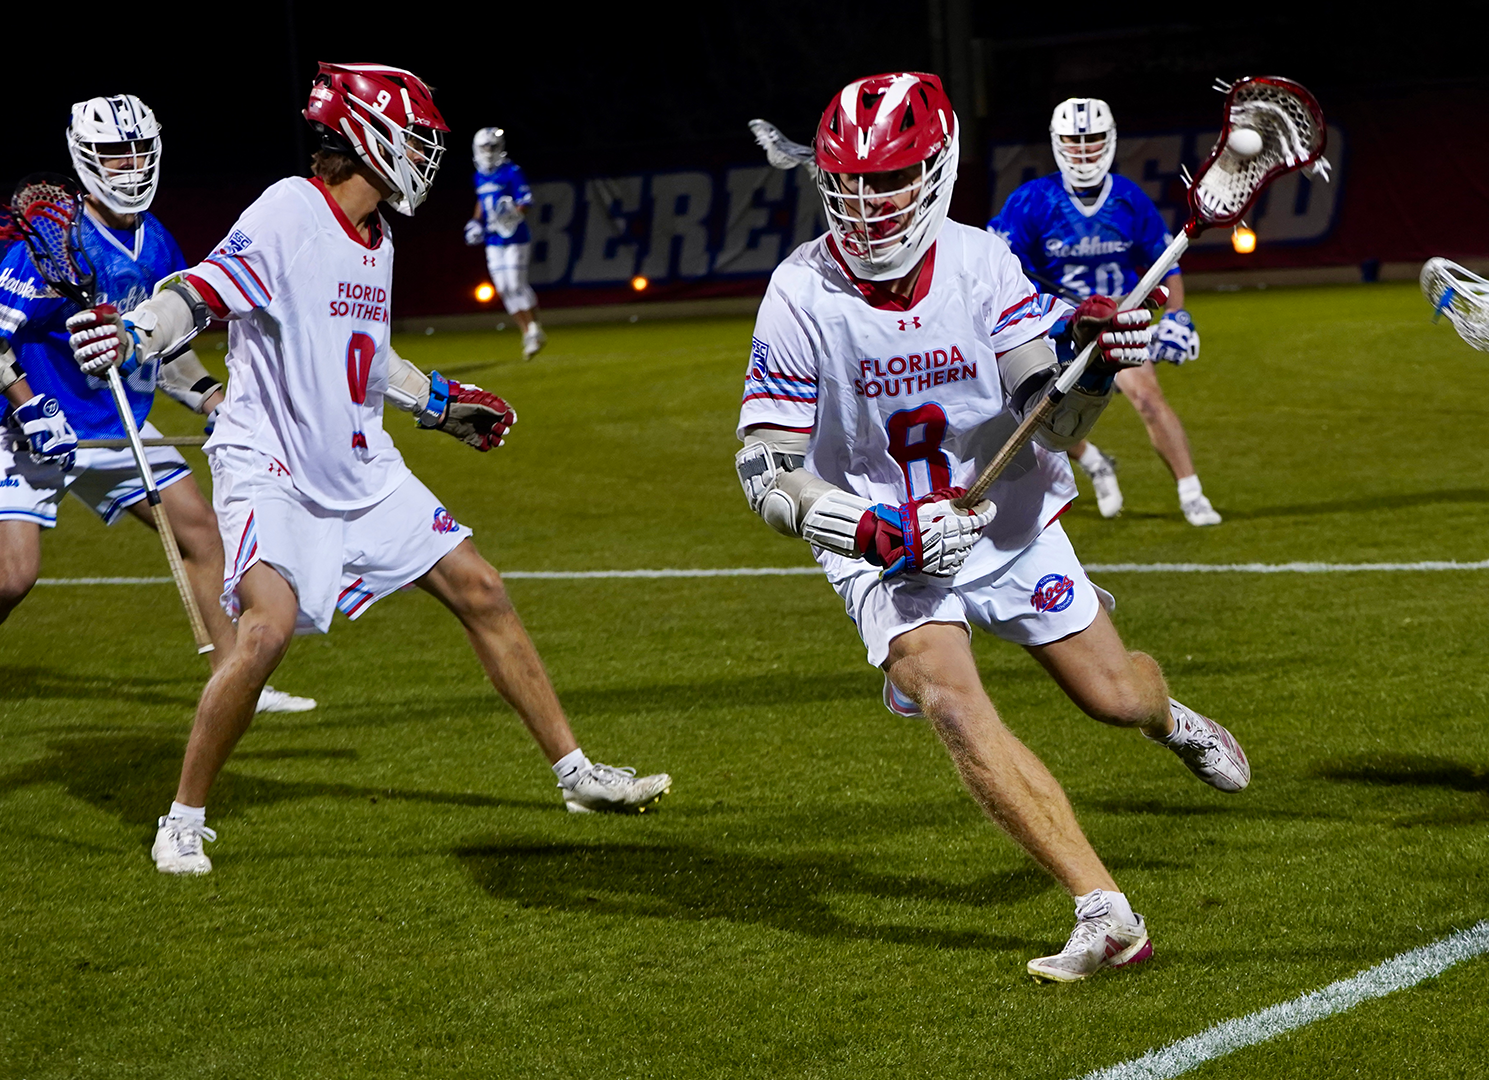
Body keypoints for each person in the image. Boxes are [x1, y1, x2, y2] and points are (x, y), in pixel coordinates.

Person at [66, 63, 670, 877]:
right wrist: (139, 333)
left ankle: (576, 774)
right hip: (273, 464)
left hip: (359, 463)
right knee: (265, 633)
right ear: (365, 137)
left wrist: (439, 404)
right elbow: (204, 290)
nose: (425, 155)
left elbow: (367, 353)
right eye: (415, 138)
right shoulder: (292, 207)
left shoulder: (377, 236)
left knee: (481, 589)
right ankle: (182, 819)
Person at [734, 72, 1249, 982]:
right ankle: (1106, 912)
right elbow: (767, 470)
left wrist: (1088, 371)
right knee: (948, 696)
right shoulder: (798, 291)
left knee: (1114, 698)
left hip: (1004, 520)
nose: (864, 205)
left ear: (935, 170)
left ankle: (1169, 719)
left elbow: (1054, 425)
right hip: (884, 540)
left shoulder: (980, 263)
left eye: (886, 181)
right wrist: (875, 532)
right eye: (847, 183)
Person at [1, 96, 315, 713]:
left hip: (115, 428)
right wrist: (30, 408)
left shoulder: (158, 241)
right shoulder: (48, 242)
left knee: (201, 530)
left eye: (140, 151)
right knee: (13, 577)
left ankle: (235, 683)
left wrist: (212, 400)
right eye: (115, 154)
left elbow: (164, 345)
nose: (130, 165)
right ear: (85, 158)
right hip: (30, 432)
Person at [987, 98, 1219, 526]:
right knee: (1033, 409)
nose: (1084, 151)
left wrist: (1177, 318)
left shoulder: (1128, 199)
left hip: (1119, 323)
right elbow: (993, 262)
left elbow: (1166, 263)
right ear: (1057, 145)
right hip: (1055, 325)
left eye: (1092, 140)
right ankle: (1095, 462)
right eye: (1074, 142)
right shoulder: (1033, 201)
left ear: (1110, 141)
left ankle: (1191, 493)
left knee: (1148, 399)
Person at [465, 127, 545, 359]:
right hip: (492, 239)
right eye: (485, 147)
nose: (489, 152)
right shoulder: (478, 175)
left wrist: (513, 215)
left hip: (515, 237)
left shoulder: (511, 171)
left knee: (515, 283)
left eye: (493, 147)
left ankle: (534, 327)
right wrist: (475, 222)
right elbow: (481, 201)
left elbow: (526, 201)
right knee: (503, 288)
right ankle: (527, 332)